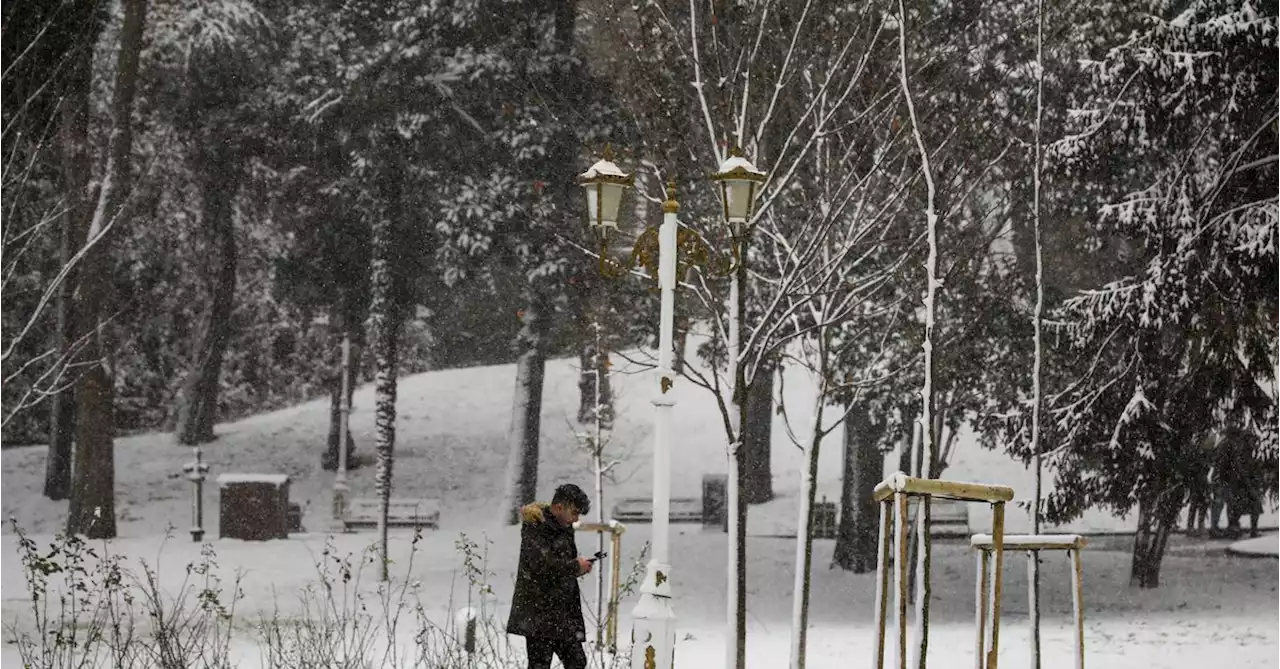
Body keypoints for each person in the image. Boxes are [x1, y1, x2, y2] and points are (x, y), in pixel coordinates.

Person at [507, 483, 594, 669]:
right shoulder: (536, 525)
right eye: (575, 512)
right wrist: (574, 566)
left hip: (560, 611)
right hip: (539, 613)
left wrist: (578, 568)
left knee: (577, 661)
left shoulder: (563, 526)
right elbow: (540, 564)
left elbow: (557, 565)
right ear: (559, 507)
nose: (576, 519)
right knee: (541, 664)